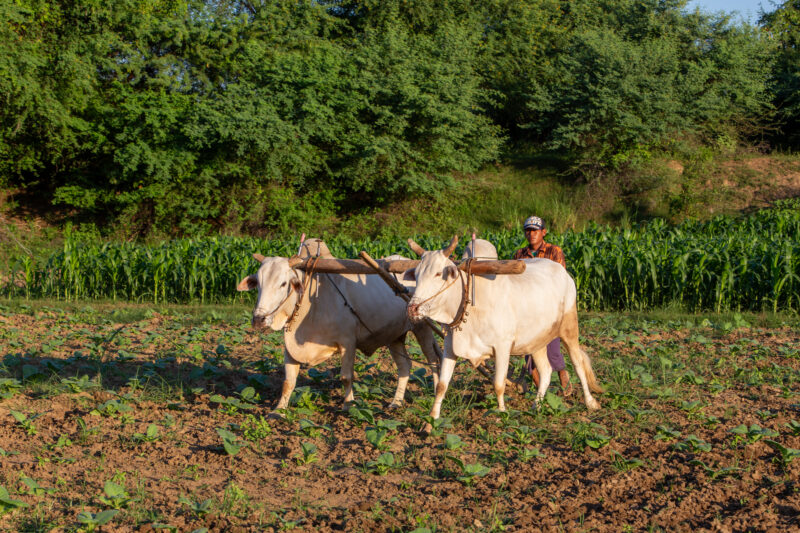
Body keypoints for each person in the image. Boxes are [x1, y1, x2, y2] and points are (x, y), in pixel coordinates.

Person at [512, 215, 573, 396]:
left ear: (543, 232)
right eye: (528, 231)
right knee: (528, 351)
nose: (531, 234)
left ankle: (562, 371)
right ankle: (541, 390)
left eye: (535, 231)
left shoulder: (554, 251)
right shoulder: (519, 255)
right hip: (526, 308)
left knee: (552, 347)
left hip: (548, 307)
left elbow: (559, 278)